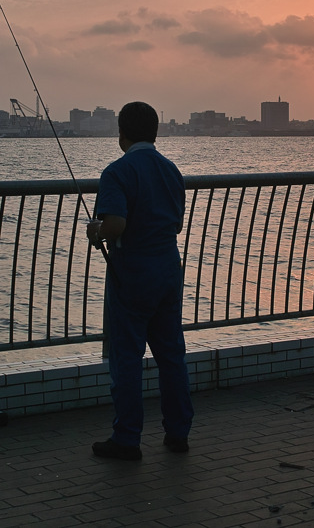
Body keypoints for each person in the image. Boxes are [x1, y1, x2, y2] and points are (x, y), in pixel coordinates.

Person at [86, 101, 194, 461]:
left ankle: (127, 438)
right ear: (155, 132)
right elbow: (177, 224)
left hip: (132, 271)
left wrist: (96, 231)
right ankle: (178, 432)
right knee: (171, 355)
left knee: (127, 357)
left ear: (122, 132)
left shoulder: (117, 172)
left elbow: (116, 224)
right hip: (168, 267)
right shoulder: (171, 170)